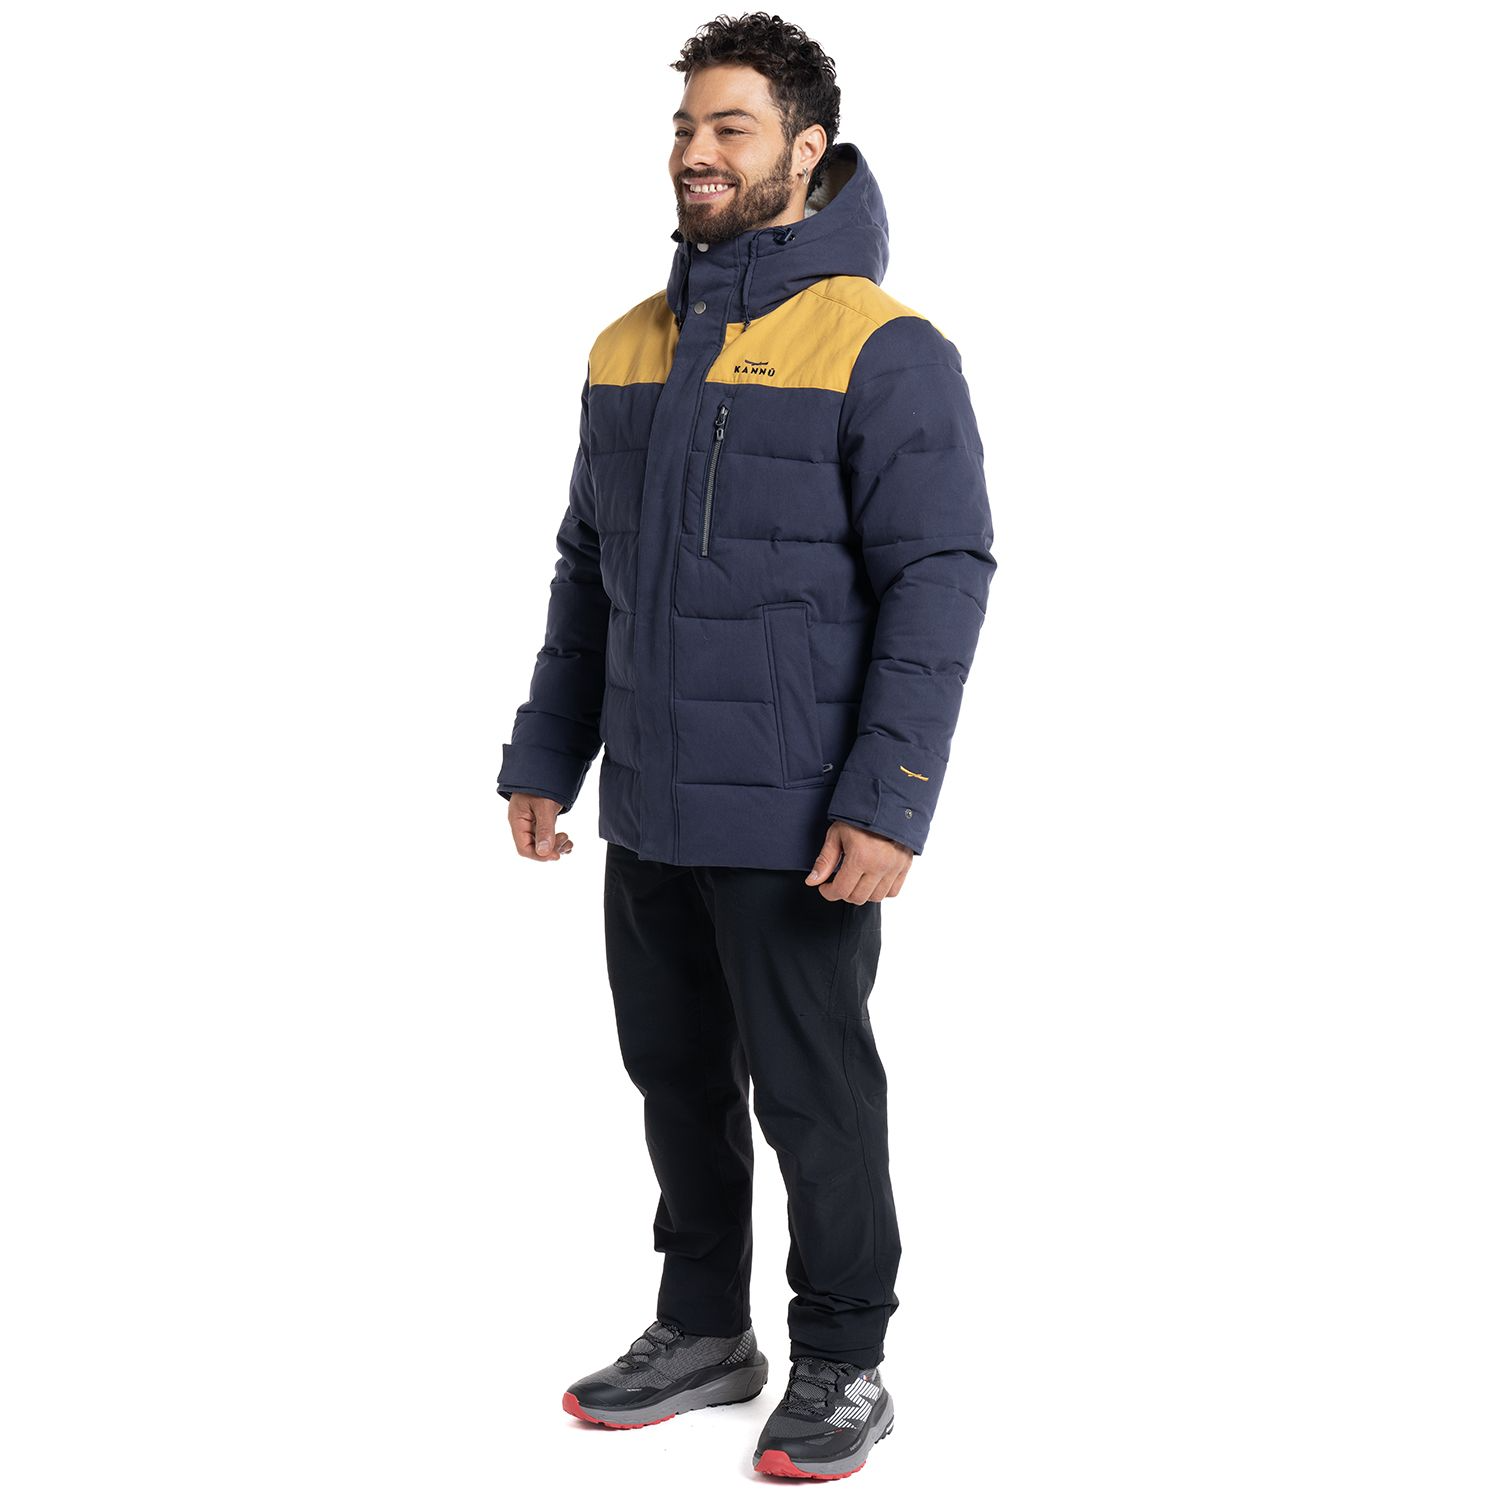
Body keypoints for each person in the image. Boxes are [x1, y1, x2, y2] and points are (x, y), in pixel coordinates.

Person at [496, 13, 995, 1481]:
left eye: (731, 127)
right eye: (685, 128)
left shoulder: (884, 348)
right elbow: (590, 570)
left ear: (805, 150)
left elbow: (941, 578)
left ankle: (843, 1361)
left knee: (815, 1098)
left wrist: (890, 800)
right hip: (652, 806)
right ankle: (704, 1328)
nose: (697, 152)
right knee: (675, 1080)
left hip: (798, 820)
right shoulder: (628, 344)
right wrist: (547, 756)